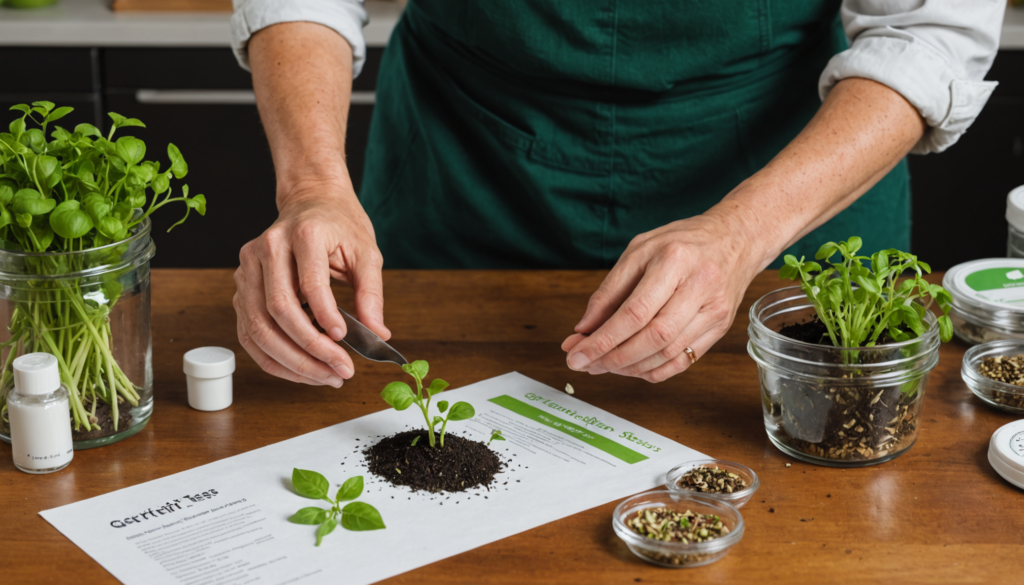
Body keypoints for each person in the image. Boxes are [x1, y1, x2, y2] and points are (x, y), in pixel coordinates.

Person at [229, 0, 1003, 387]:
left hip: (782, 173)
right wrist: (311, 186)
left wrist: (739, 234)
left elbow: (927, 33)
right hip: (465, 164)